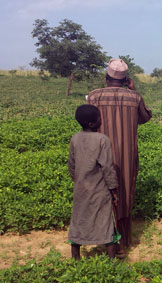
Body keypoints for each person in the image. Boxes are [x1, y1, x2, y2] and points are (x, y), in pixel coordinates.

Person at [87, 59, 152, 253]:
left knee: (103, 193)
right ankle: (123, 241)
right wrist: (133, 89)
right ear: (125, 80)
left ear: (106, 77)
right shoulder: (134, 97)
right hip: (127, 156)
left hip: (100, 155)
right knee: (125, 192)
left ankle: (106, 239)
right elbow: (145, 118)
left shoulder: (93, 97)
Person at [68, 105, 119, 260]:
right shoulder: (102, 139)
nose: (101, 120)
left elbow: (72, 164)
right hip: (99, 189)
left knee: (78, 218)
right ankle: (111, 259)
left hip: (81, 187)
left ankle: (75, 256)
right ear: (92, 123)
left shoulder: (75, 138)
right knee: (105, 220)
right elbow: (107, 167)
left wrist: (78, 180)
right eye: (99, 118)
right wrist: (113, 189)